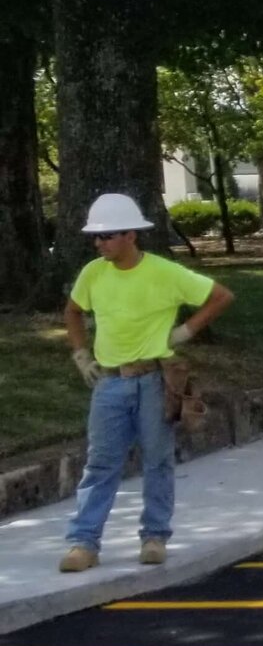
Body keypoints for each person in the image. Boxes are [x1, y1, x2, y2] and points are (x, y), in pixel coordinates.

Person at [59, 193, 234, 573]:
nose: (99, 243)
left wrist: (185, 331)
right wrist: (80, 354)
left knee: (158, 460)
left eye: (107, 236)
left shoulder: (164, 272)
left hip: (156, 381)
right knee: (101, 464)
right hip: (109, 382)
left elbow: (221, 296)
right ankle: (83, 543)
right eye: (97, 237)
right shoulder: (93, 273)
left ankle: (154, 536)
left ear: (131, 236)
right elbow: (73, 311)